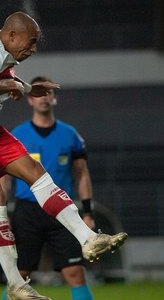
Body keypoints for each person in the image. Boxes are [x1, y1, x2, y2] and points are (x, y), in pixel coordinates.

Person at [0, 11, 128, 300]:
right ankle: (15, 282)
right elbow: (7, 85)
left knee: (34, 176)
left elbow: (12, 85)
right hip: (28, 212)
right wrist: (10, 85)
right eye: (30, 43)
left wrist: (30, 87)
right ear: (10, 36)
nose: (32, 50)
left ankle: (88, 239)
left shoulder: (8, 61)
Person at [1, 76, 96, 300]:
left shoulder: (70, 135)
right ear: (30, 101)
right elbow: (4, 177)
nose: (44, 98)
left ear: (54, 98)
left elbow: (82, 174)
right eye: (40, 94)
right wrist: (3, 217)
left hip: (61, 211)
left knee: (75, 272)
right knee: (19, 274)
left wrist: (88, 212)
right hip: (27, 212)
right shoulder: (17, 134)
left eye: (49, 94)